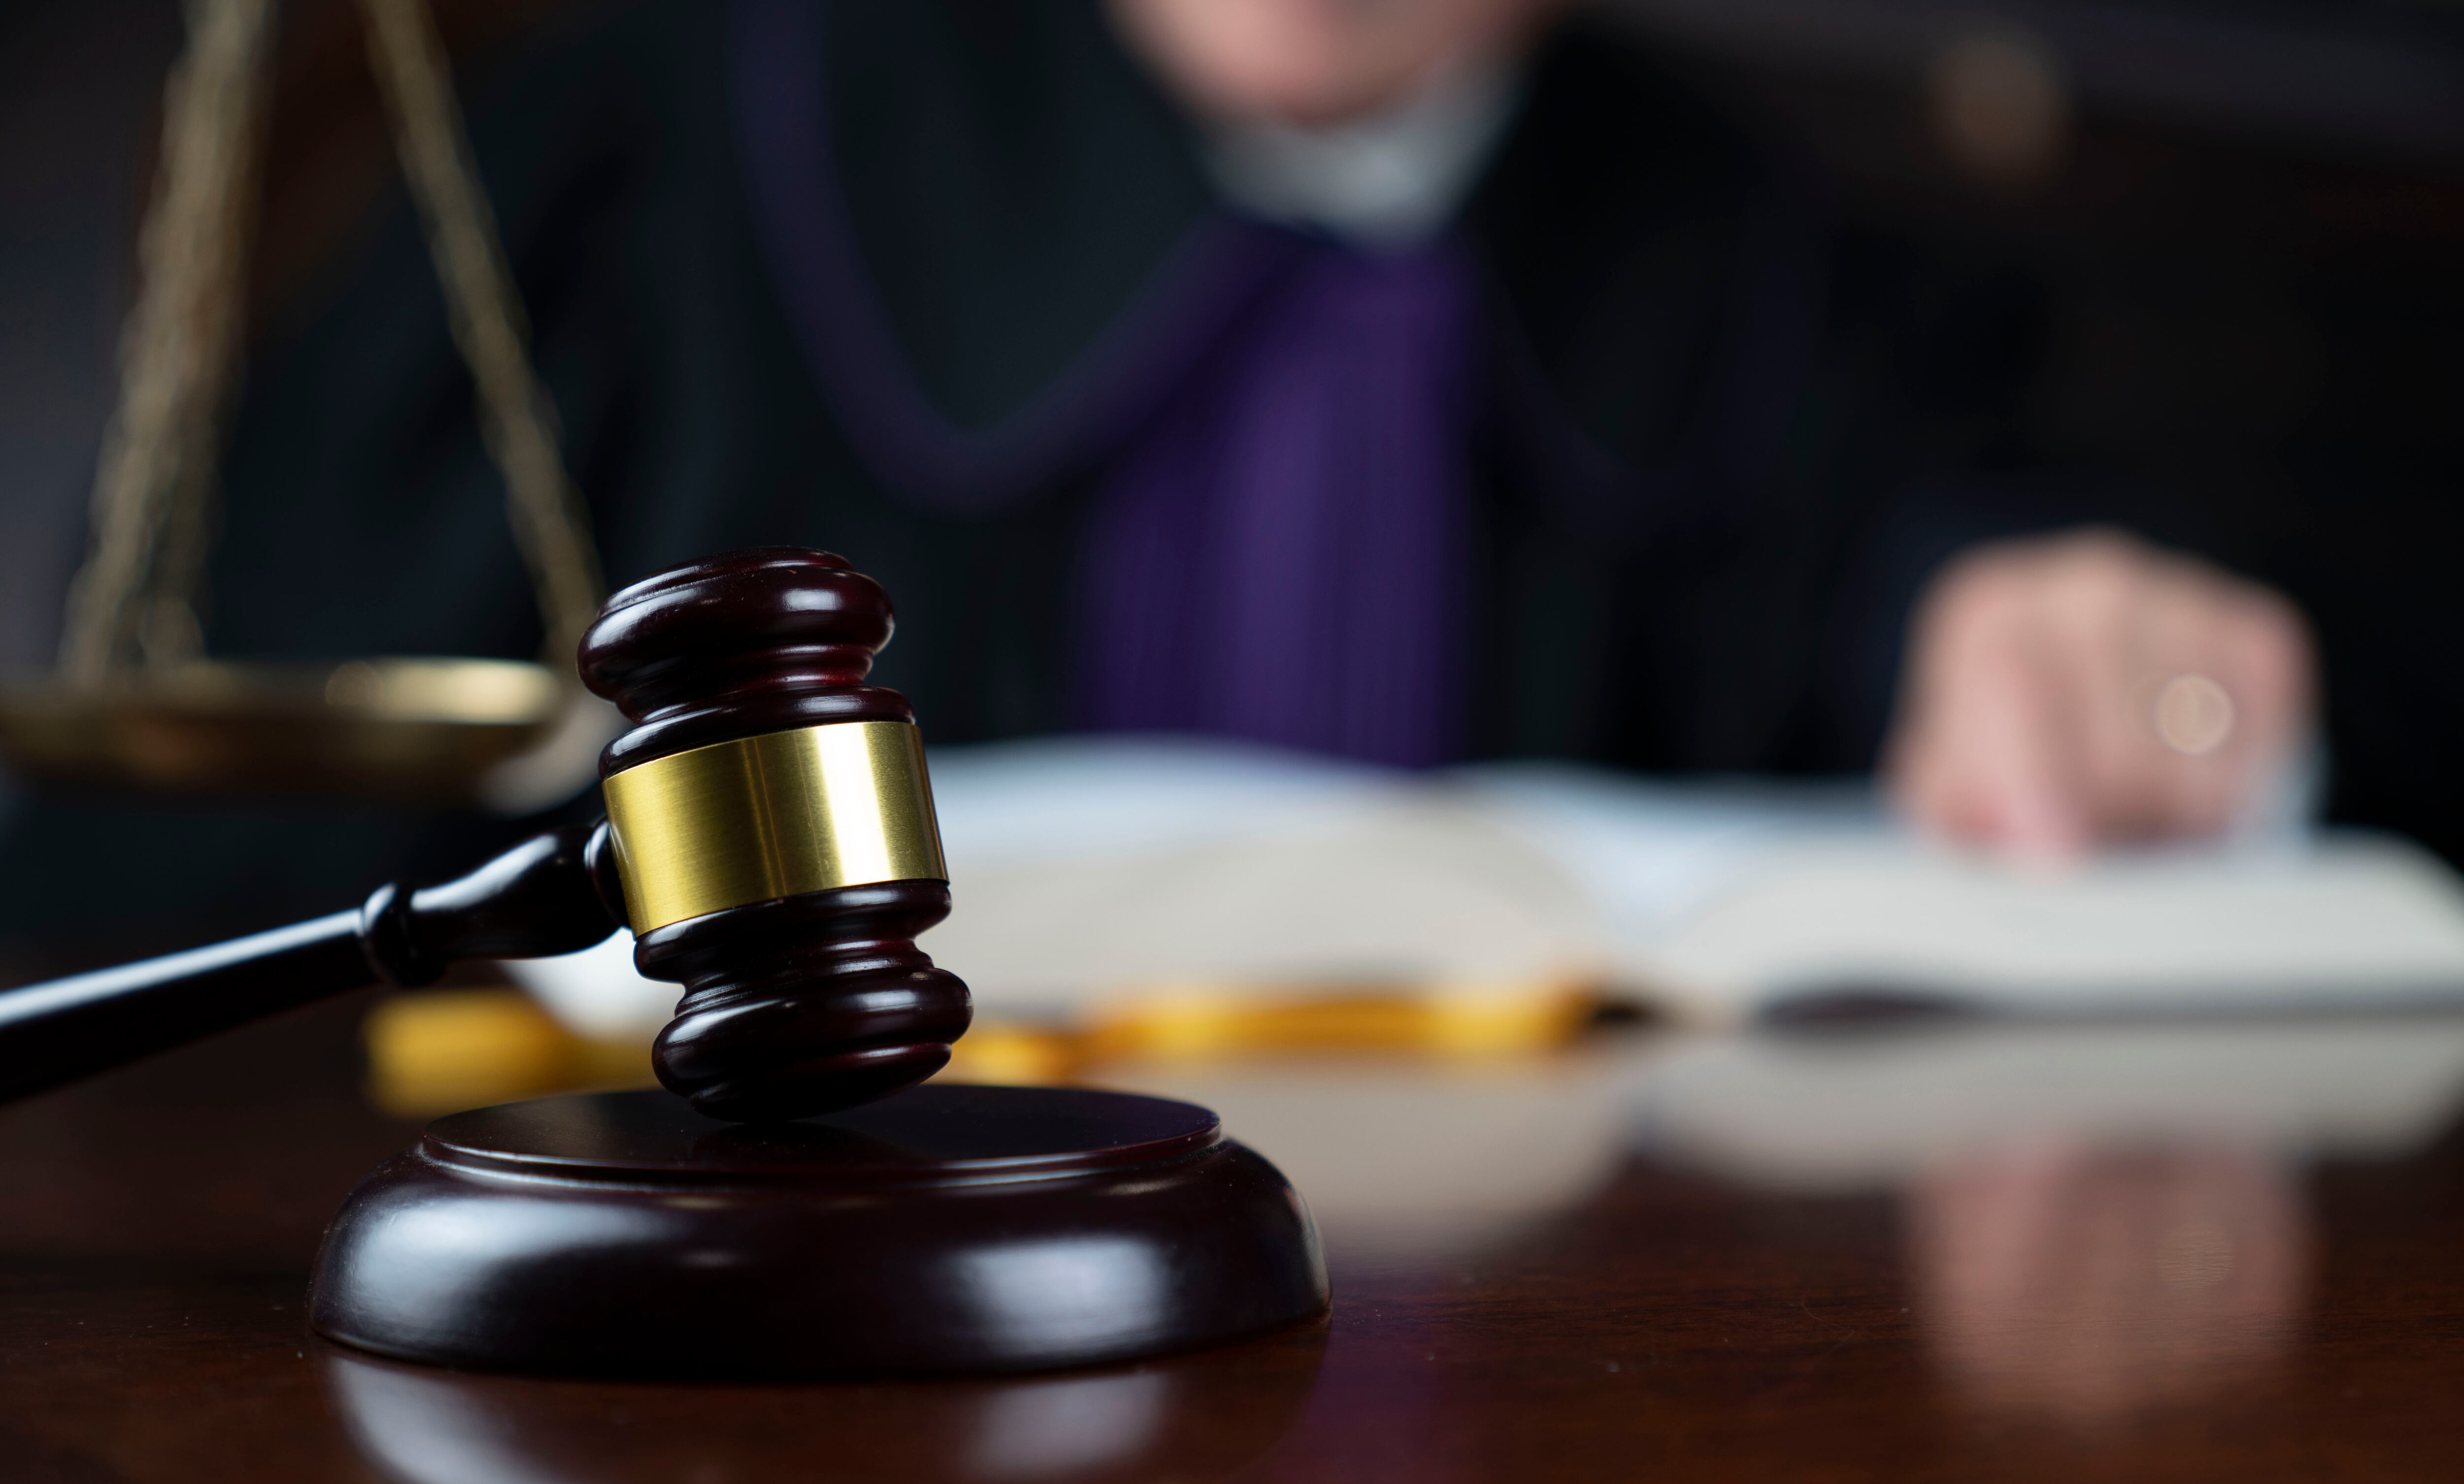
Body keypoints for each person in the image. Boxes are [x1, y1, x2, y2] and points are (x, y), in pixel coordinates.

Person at [0, 0, 2327, 941]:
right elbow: (185, 906)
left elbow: (2030, 590)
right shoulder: (612, 188)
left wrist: (2117, 673)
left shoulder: (1787, 272)